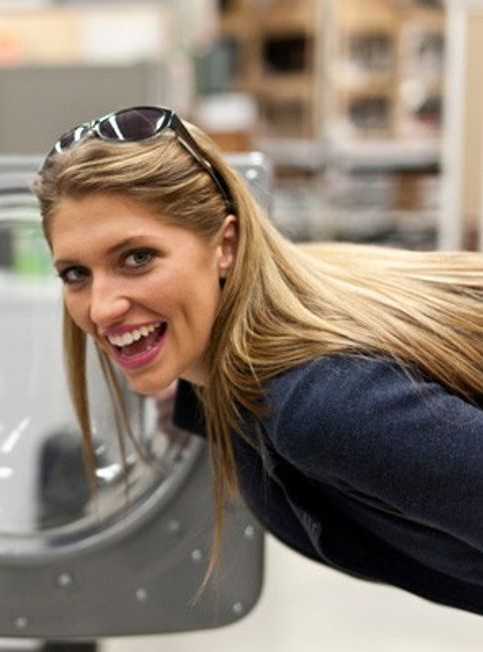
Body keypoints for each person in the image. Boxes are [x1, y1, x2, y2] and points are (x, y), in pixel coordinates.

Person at [32, 105, 483, 614]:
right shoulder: (288, 318)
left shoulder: (321, 403)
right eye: (75, 274)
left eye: (138, 258)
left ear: (225, 245)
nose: (102, 307)